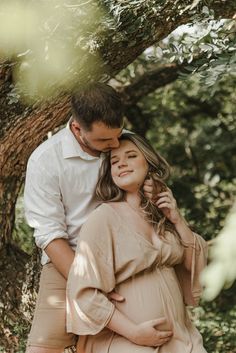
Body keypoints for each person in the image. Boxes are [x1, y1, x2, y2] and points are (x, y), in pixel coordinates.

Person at [24, 83, 169, 353]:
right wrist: (89, 283)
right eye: (105, 141)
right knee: (42, 349)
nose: (115, 144)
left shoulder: (124, 140)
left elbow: (152, 184)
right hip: (70, 262)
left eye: (118, 134)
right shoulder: (45, 161)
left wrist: (154, 190)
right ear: (77, 128)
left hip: (129, 257)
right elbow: (49, 236)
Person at [66, 132, 208, 353]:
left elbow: (194, 266)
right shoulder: (102, 218)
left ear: (149, 164)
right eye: (114, 161)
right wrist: (134, 333)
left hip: (181, 339)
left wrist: (177, 219)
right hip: (126, 342)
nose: (121, 163)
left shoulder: (163, 216)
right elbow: (84, 292)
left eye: (131, 156)